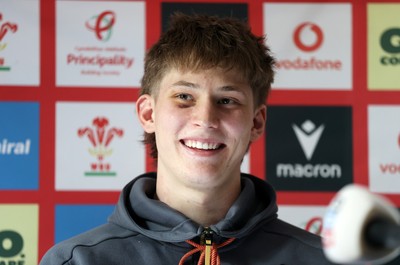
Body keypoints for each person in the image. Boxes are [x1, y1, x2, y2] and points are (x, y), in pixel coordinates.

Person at [40, 13, 333, 265]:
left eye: (227, 100)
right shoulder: (76, 261)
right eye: (184, 96)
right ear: (148, 113)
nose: (205, 118)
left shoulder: (320, 259)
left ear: (256, 122)